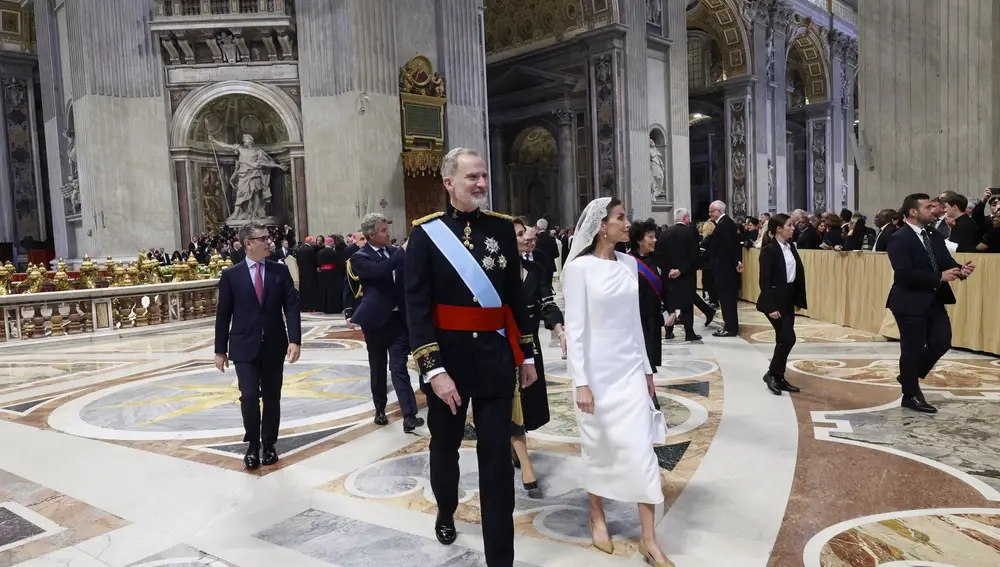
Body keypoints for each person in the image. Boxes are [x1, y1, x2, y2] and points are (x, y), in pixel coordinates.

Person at [405, 147, 536, 566]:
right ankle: (446, 508)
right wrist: (433, 369)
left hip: (496, 359)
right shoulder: (426, 235)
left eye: (483, 176)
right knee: (445, 447)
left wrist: (527, 355)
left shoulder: (499, 229)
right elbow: (416, 308)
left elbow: (516, 298)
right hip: (449, 365)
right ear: (449, 183)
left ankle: (501, 555)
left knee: (496, 458)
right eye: (471, 178)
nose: (481, 184)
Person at [563, 197, 669, 566]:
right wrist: (581, 382)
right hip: (596, 375)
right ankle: (597, 515)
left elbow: (635, 324)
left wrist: (646, 371)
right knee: (598, 447)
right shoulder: (579, 270)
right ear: (601, 227)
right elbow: (575, 331)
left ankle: (650, 540)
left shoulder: (628, 263)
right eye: (621, 219)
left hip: (628, 373)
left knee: (642, 452)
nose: (628, 225)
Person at [214, 221, 302, 471]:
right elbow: (224, 314)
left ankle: (269, 443)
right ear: (248, 244)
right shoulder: (231, 275)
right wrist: (220, 349)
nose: (269, 242)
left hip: (274, 344)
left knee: (272, 396)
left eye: (269, 238)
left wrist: (294, 339)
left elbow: (292, 307)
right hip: (243, 346)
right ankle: (252, 443)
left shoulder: (280, 271)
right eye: (263, 238)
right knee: (249, 396)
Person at [886, 193, 975, 413]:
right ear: (913, 212)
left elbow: (945, 261)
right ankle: (910, 395)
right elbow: (904, 273)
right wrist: (938, 277)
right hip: (909, 301)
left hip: (934, 299)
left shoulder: (933, 234)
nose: (934, 210)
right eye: (929, 207)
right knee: (912, 349)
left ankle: (908, 375)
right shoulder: (899, 237)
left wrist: (960, 270)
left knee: (942, 342)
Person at [347, 213, 424, 433]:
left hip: (398, 319)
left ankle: (409, 415)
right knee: (378, 366)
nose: (388, 233)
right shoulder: (359, 257)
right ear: (371, 235)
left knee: (398, 366)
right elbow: (380, 271)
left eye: (387, 229)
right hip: (375, 320)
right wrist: (402, 251)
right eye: (383, 230)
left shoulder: (393, 252)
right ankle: (379, 407)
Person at [510, 218, 566, 493]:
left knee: (528, 402)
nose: (526, 237)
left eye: (525, 233)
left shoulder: (535, 268)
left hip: (530, 345)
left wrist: (559, 327)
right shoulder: (497, 274)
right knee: (511, 400)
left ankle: (514, 445)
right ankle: (524, 459)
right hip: (505, 346)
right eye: (520, 234)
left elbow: (547, 301)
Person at [756, 214, 806, 395]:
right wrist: (771, 307)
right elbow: (765, 281)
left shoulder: (790, 246)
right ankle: (772, 373)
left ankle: (779, 376)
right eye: (789, 225)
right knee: (788, 338)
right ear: (778, 229)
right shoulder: (769, 250)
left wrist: (798, 300)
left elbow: (796, 275)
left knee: (782, 339)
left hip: (788, 299)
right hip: (774, 301)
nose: (793, 228)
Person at [657, 208, 713, 340]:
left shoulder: (665, 233)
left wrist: (669, 270)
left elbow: (659, 255)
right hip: (686, 274)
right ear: (686, 218)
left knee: (669, 302)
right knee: (687, 303)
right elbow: (693, 255)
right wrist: (681, 270)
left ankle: (668, 331)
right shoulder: (691, 232)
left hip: (669, 275)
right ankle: (689, 332)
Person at [707, 200, 742, 337]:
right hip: (723, 268)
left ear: (719, 211)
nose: (710, 213)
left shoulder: (725, 224)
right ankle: (728, 325)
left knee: (727, 299)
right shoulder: (723, 223)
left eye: (711, 211)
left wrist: (736, 263)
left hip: (726, 269)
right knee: (725, 299)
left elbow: (730, 247)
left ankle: (731, 328)